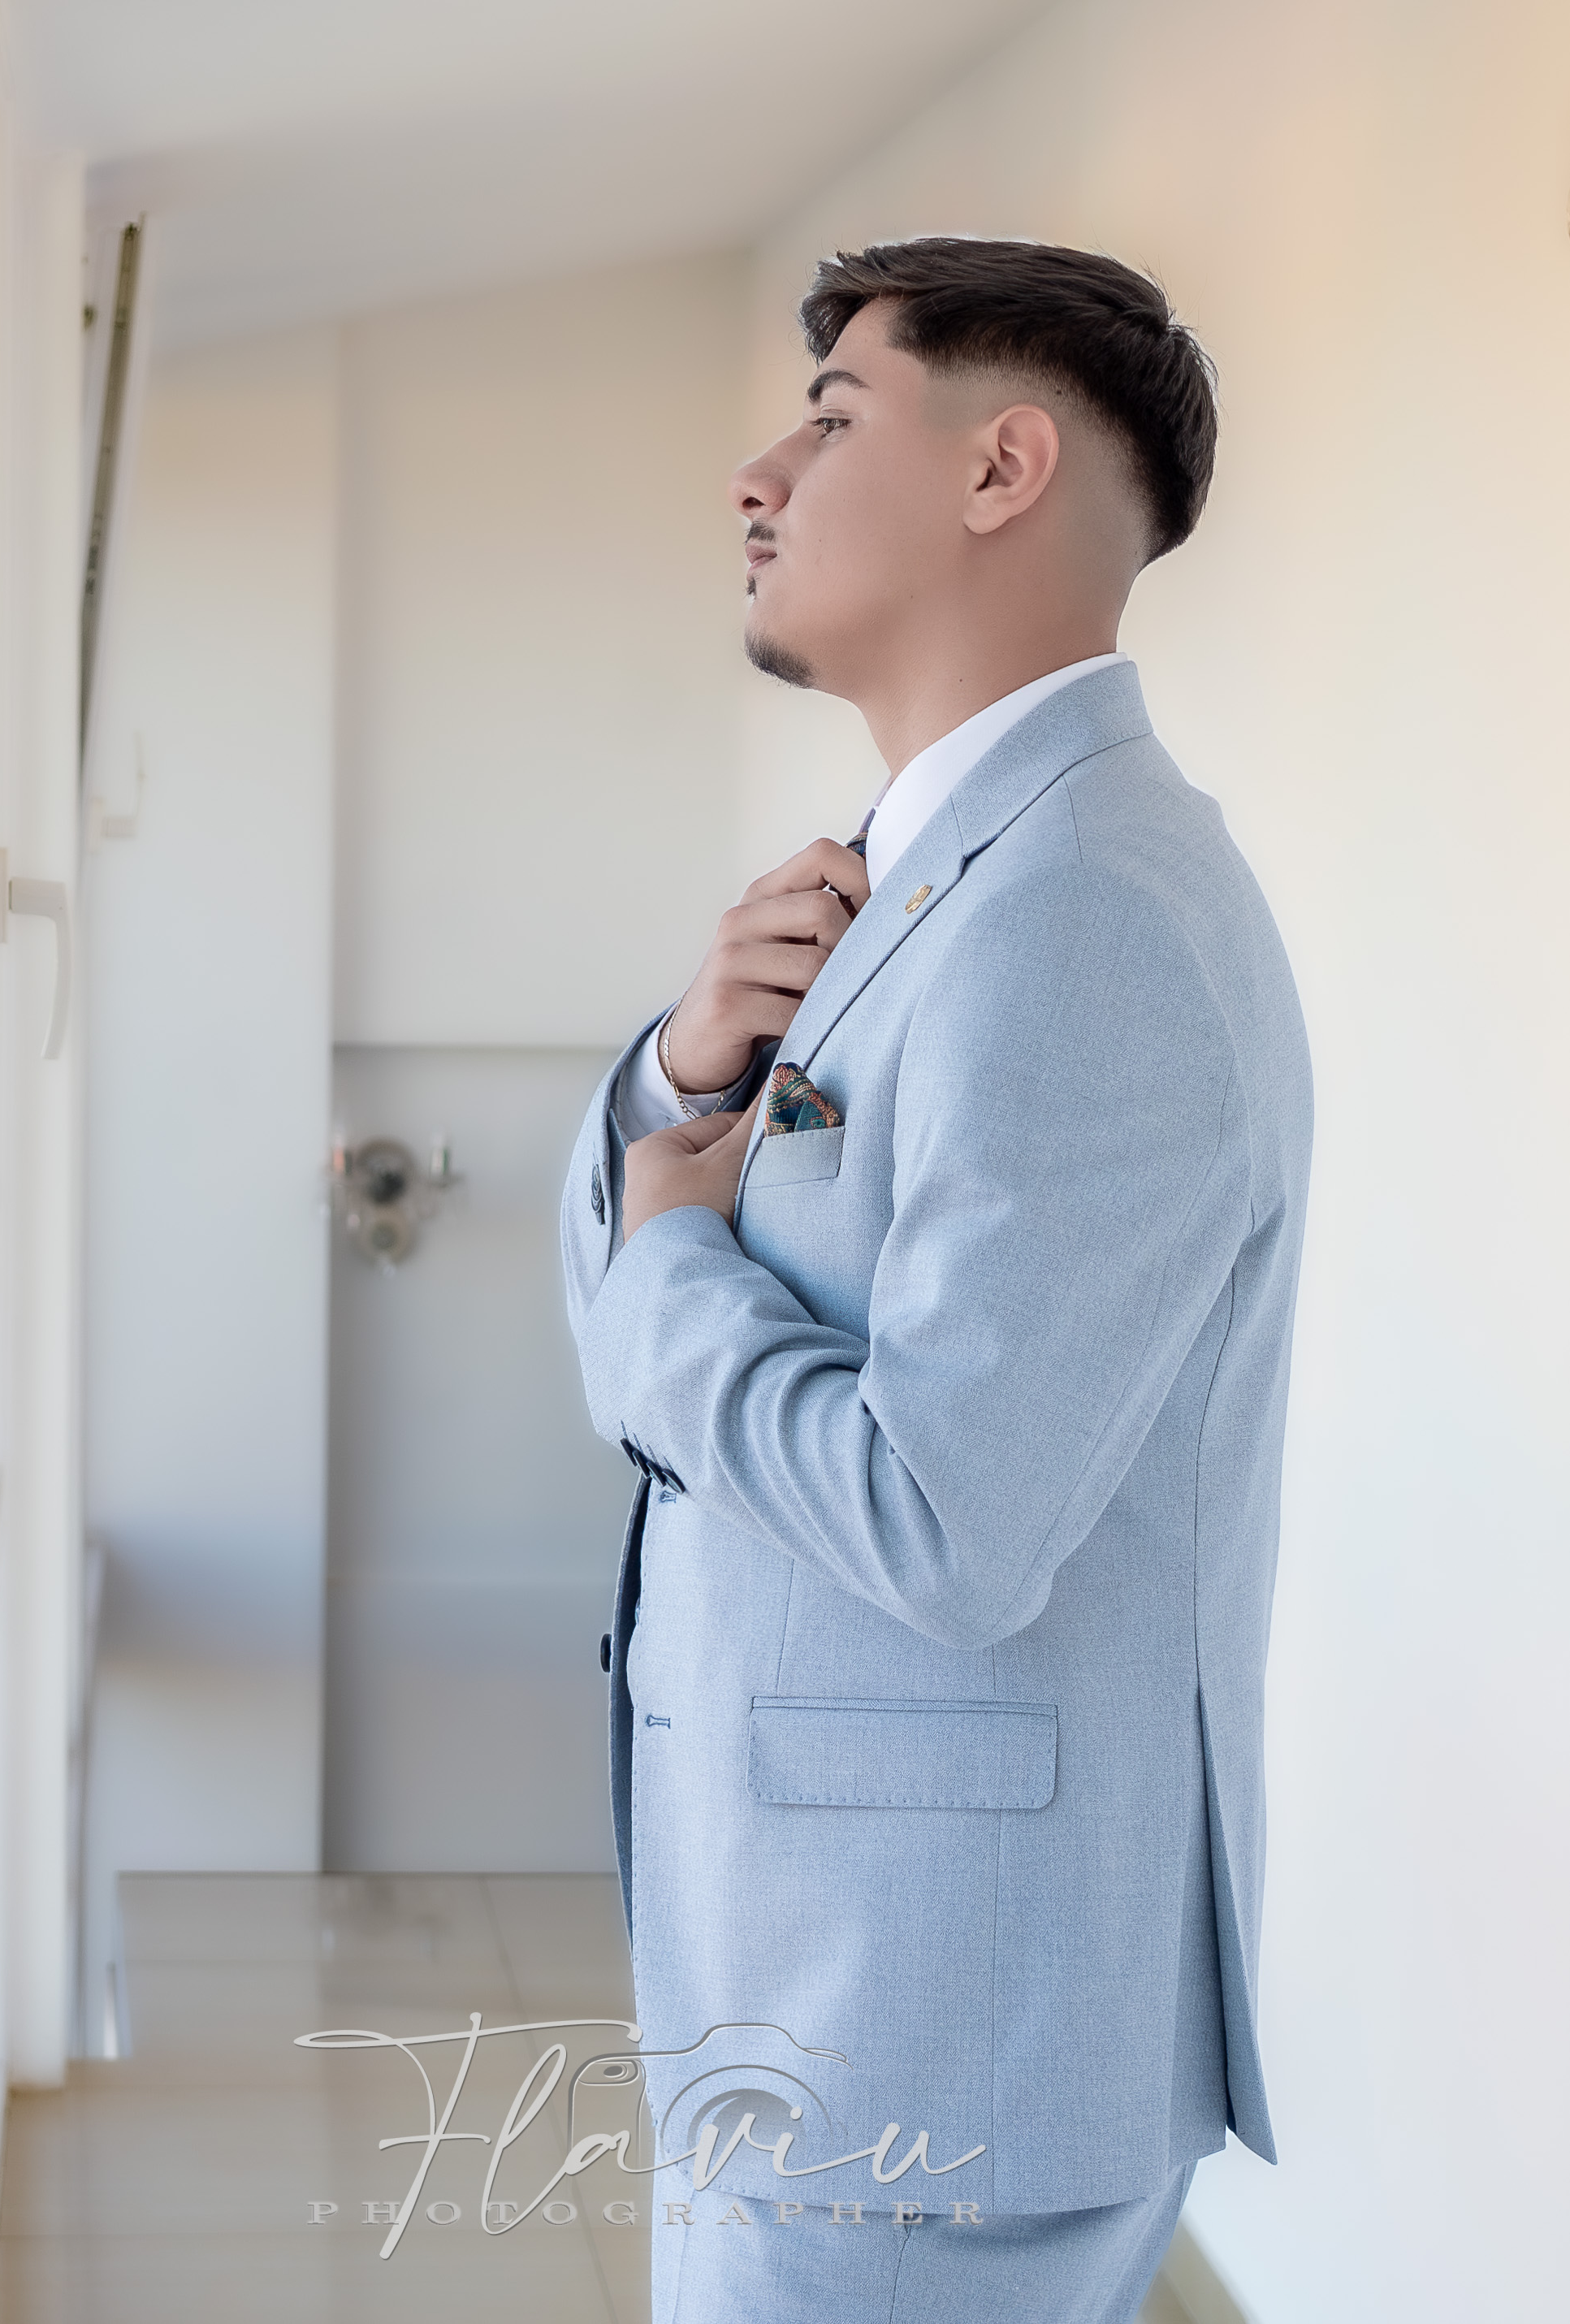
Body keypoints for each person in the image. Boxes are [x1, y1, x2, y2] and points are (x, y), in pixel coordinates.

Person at [561, 237, 1312, 2324]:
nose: (756, 473)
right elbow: (645, 1285)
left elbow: (943, 1518)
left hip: (925, 2037)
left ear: (1000, 467)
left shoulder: (1082, 910)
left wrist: (669, 1253)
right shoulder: (925, 881)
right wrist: (682, 1077)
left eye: (827, 417)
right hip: (835, 1989)